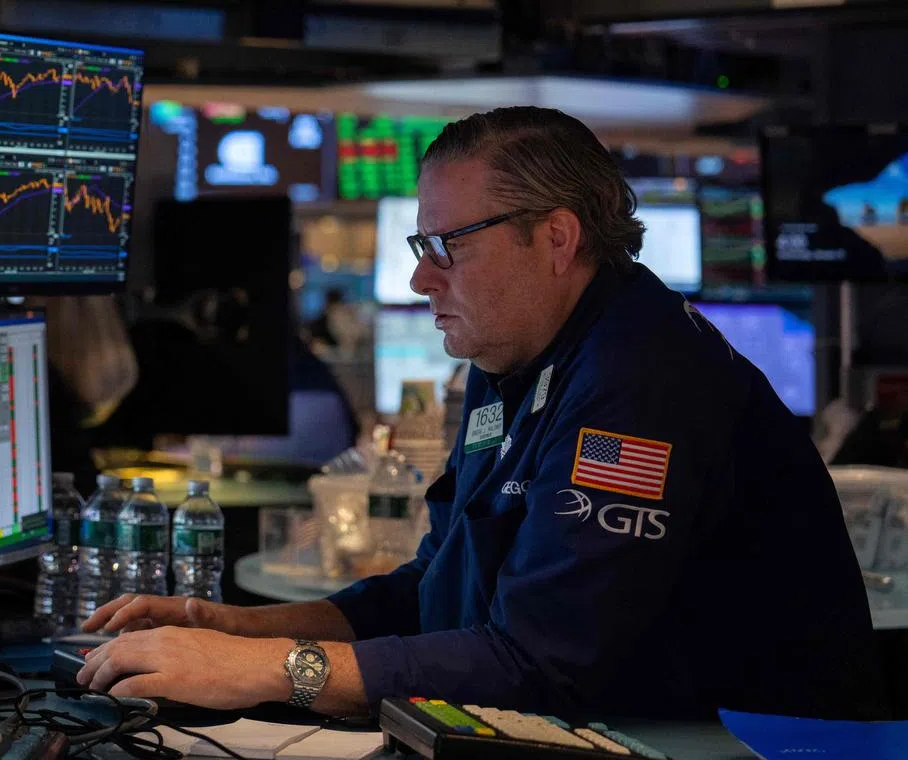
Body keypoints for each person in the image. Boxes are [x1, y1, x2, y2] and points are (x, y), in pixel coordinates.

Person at [75, 107, 882, 720]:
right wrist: (238, 630)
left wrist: (274, 671)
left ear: (557, 238)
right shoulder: (517, 355)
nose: (424, 280)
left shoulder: (641, 382)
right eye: (419, 248)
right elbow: (441, 587)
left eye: (446, 247)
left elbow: (537, 665)